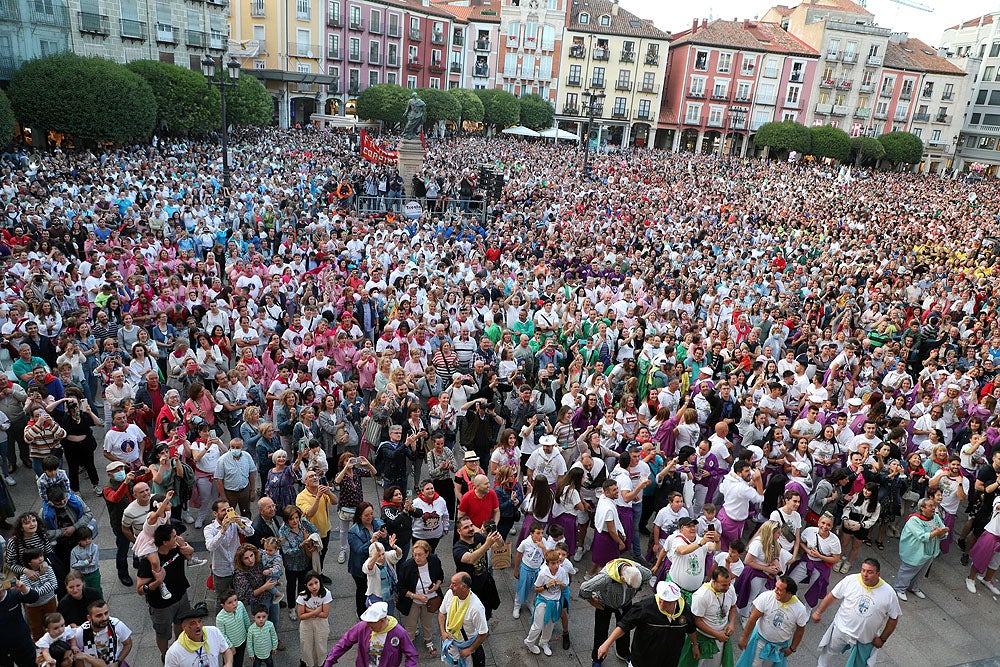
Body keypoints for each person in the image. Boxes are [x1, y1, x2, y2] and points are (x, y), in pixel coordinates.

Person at [812, 558, 901, 667]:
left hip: (865, 638)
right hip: (842, 629)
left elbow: (894, 618)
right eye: (863, 570)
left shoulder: (889, 592)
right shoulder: (850, 580)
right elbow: (832, 596)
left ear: (878, 574)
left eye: (870, 572)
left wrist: (882, 639)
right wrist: (818, 612)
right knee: (829, 653)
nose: (865, 574)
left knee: (859, 664)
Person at [597, 580, 698, 667]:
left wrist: (695, 645)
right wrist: (607, 644)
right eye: (660, 599)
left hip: (669, 661)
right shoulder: (644, 608)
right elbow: (624, 625)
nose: (662, 604)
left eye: (667, 602)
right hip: (643, 660)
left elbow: (691, 629)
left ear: (675, 601)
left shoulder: (685, 611)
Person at [136, 524, 195, 660]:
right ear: (165, 542)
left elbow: (190, 554)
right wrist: (157, 582)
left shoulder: (177, 548)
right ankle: (165, 654)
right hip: (161, 606)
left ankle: (179, 648)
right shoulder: (149, 561)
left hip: (181, 596)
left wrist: (186, 546)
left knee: (181, 624)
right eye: (174, 537)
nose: (177, 538)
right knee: (163, 633)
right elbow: (140, 590)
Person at [579, 557, 651, 666]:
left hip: (625, 604)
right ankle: (597, 658)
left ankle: (623, 652)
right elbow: (584, 588)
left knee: (625, 629)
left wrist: (636, 590)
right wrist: (592, 601)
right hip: (604, 604)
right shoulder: (605, 577)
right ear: (622, 578)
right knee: (601, 631)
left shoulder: (639, 570)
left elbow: (648, 575)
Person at [735, 576, 808, 667]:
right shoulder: (766, 597)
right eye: (776, 587)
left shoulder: (800, 609)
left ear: (789, 594)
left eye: (780, 590)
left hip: (779, 647)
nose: (775, 591)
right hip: (759, 641)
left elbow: (800, 630)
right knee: (754, 664)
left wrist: (792, 648)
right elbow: (753, 618)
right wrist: (744, 638)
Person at [326, 600, 418, 667]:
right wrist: (329, 661)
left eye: (371, 624)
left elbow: (412, 655)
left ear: (382, 621)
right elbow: (344, 643)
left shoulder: (399, 632)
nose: (367, 626)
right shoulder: (363, 626)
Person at [679, 566, 737, 667]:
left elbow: (733, 607)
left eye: (729, 584)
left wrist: (731, 623)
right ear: (714, 582)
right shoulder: (702, 596)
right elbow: (697, 621)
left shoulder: (729, 589)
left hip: (720, 638)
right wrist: (717, 634)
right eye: (724, 585)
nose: (728, 588)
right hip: (702, 639)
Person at [893, 497, 947, 601]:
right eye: (930, 506)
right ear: (922, 508)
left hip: (930, 550)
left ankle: (914, 587)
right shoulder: (914, 519)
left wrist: (942, 533)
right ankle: (899, 588)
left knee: (922, 571)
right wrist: (937, 532)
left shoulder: (935, 517)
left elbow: (942, 528)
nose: (933, 508)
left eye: (934, 506)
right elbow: (922, 536)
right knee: (908, 570)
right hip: (915, 551)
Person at [397, 539, 444, 658]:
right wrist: (416, 596)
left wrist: (437, 586)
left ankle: (428, 640)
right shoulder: (407, 566)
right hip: (413, 600)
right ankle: (409, 642)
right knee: (411, 624)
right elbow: (401, 589)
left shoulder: (434, 561)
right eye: (415, 554)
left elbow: (440, 576)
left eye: (420, 555)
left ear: (427, 553)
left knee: (427, 622)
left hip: (430, 599)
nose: (417, 558)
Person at [205, 500, 256, 606]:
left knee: (240, 596)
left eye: (229, 509)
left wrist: (240, 523)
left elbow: (250, 532)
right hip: (221, 571)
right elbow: (210, 546)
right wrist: (222, 531)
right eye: (223, 510)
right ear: (215, 513)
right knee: (222, 600)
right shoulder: (209, 529)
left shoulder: (234, 523)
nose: (227, 512)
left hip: (237, 568)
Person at [452, 516, 502, 620]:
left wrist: (499, 540)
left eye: (471, 525)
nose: (470, 529)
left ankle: (484, 627)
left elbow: (498, 546)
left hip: (485, 582)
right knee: (471, 613)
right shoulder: (458, 548)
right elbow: (471, 559)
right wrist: (487, 544)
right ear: (459, 531)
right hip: (469, 588)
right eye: (466, 527)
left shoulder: (478, 537)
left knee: (487, 609)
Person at [523, 549, 570, 657]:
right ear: (547, 564)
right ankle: (529, 642)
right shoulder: (543, 573)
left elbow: (564, 587)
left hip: (555, 602)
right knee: (538, 625)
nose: (556, 565)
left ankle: (544, 642)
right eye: (553, 563)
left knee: (550, 625)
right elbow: (536, 589)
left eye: (558, 562)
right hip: (543, 601)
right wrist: (546, 586)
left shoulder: (562, 571)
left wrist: (560, 584)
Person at [438, 573, 490, 667]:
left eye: (454, 584)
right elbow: (442, 613)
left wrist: (470, 649)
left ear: (464, 587)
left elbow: (483, 632)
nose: (450, 586)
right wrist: (443, 632)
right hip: (449, 645)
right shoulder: (450, 594)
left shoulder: (476, 608)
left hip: (465, 648)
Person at [164, 602, 234, 667]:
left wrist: (228, 663)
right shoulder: (174, 653)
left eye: (199, 621)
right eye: (193, 623)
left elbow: (226, 651)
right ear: (184, 627)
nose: (198, 626)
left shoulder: (214, 632)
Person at [296, 470, 338, 575]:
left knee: (322, 554)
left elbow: (335, 501)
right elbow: (310, 513)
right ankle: (311, 579)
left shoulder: (322, 491)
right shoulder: (301, 497)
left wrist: (329, 492)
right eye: (311, 476)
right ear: (305, 482)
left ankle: (319, 574)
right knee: (311, 559)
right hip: (311, 535)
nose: (315, 477)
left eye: (316, 475)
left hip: (325, 530)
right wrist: (318, 498)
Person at [73, 600, 133, 667]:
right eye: (99, 615)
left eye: (106, 613)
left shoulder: (116, 625)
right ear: (89, 618)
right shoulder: (81, 632)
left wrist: (118, 662)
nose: (104, 618)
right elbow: (78, 656)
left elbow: (128, 644)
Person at [0, 576, 39, 667]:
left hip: (23, 645)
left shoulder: (13, 594)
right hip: (2, 651)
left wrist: (24, 589)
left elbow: (34, 598)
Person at [296, 571, 332, 667]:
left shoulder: (326, 593)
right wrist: (316, 611)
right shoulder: (302, 595)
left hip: (321, 623)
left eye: (316, 582)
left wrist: (307, 610)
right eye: (310, 584)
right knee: (306, 645)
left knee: (321, 644)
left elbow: (325, 614)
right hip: (306, 623)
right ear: (306, 586)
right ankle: (307, 663)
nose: (314, 586)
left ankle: (322, 663)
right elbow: (300, 615)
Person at [214, 438, 257, 517]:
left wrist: (252, 490)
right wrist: (223, 496)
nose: (235, 449)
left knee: (246, 512)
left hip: (244, 490)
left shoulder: (247, 456)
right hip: (230, 493)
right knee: (229, 515)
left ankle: (245, 528)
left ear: (242, 448)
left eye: (237, 447)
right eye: (232, 447)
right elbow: (219, 480)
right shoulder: (222, 460)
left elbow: (251, 473)